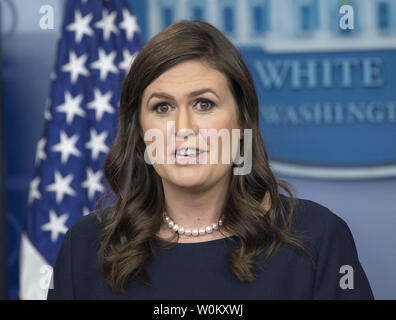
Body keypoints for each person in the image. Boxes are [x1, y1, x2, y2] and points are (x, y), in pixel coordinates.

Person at [47, 20, 374, 300]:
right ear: (140, 130)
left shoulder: (317, 237)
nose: (184, 129)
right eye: (162, 107)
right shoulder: (86, 246)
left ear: (241, 120)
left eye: (204, 104)